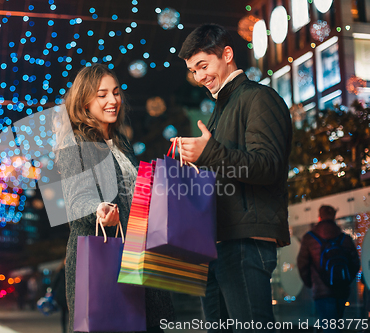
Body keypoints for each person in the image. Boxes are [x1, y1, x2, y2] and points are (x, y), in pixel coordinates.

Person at [176, 24, 292, 331]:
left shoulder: (258, 98)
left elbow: (268, 166)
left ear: (227, 54)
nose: (199, 77)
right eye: (193, 70)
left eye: (203, 65)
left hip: (244, 241)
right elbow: (227, 170)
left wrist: (209, 153)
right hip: (216, 242)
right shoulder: (221, 109)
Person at [56, 64, 174, 333]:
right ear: (84, 103)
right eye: (102, 94)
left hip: (139, 255)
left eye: (116, 92)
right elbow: (76, 200)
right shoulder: (75, 143)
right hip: (104, 258)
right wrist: (98, 210)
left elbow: (133, 195)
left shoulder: (121, 141)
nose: (113, 100)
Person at [297, 205, 360, 332]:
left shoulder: (310, 238)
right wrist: (345, 281)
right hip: (342, 291)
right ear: (334, 217)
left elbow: (302, 263)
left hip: (321, 292)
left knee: (329, 328)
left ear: (319, 217)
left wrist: (310, 283)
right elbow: (355, 263)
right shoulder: (344, 238)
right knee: (336, 325)